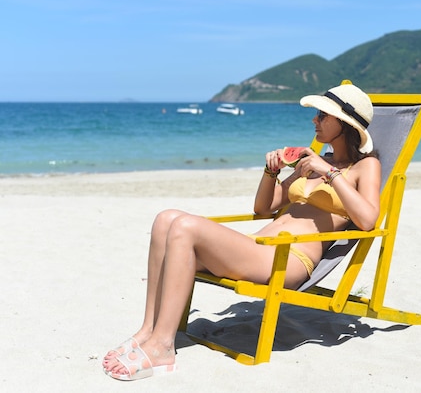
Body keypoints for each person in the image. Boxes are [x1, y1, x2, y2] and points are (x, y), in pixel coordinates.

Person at [102, 83, 381, 380]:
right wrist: (271, 172)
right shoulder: (313, 161)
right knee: (165, 218)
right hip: (256, 248)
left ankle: (162, 346)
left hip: (288, 260)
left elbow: (367, 220)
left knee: (185, 225)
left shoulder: (366, 166)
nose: (314, 120)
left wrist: (330, 173)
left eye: (322, 116)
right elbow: (265, 208)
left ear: (345, 124)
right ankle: (148, 330)